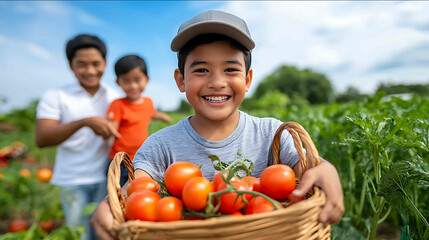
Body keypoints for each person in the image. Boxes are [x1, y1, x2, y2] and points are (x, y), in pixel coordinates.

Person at [91, 10, 344, 240]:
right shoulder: (160, 146)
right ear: (181, 80)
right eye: (201, 70)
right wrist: (108, 204)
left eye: (230, 69)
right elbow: (134, 193)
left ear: (247, 79)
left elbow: (309, 170)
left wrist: (327, 169)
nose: (217, 82)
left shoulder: (270, 133)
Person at [36, 34, 120, 240]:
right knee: (80, 235)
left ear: (105, 63)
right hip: (72, 180)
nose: (90, 71)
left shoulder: (114, 96)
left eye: (96, 64)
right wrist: (86, 121)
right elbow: (42, 137)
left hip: (105, 178)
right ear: (71, 66)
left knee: (107, 232)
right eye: (81, 64)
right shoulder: (56, 96)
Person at [107, 55, 172, 186]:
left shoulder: (148, 102)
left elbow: (150, 112)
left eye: (137, 80)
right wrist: (108, 126)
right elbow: (112, 128)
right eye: (126, 81)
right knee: (119, 194)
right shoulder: (118, 104)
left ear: (146, 80)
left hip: (141, 158)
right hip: (121, 160)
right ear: (118, 82)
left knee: (137, 191)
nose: (133, 86)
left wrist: (164, 117)